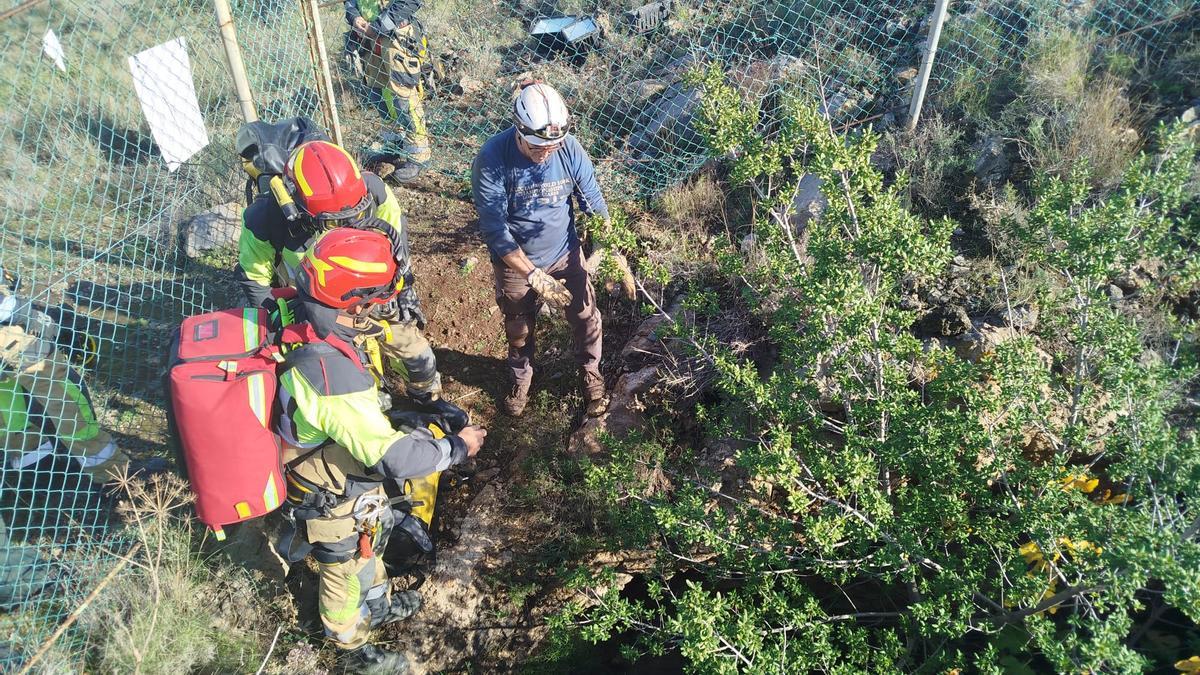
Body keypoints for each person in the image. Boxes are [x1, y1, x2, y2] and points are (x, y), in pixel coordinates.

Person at [275, 228, 487, 672]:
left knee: (373, 538)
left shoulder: (314, 315)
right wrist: (457, 448)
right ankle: (351, 647)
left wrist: (421, 408)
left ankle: (380, 604)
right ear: (354, 301)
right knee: (344, 568)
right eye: (376, 298)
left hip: (341, 465)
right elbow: (393, 458)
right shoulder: (334, 376)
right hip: (325, 494)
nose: (384, 306)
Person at [237, 140, 463, 423]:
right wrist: (282, 323)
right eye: (336, 223)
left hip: (373, 291)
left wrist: (405, 287)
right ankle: (373, 422)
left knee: (417, 353)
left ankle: (427, 398)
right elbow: (254, 278)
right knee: (352, 376)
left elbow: (396, 234)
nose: (349, 227)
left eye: (357, 215)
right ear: (299, 210)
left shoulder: (374, 190)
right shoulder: (265, 221)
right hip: (315, 307)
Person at [470, 81, 610, 418]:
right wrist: (531, 274)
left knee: (585, 314)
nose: (545, 153)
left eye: (552, 146)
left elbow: (592, 201)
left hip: (564, 250)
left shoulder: (570, 150)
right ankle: (522, 378)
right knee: (518, 325)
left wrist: (607, 249)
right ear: (518, 130)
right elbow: (495, 229)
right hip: (517, 259)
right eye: (536, 147)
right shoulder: (492, 160)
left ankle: (591, 371)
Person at [344, 0, 432, 181]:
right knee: (380, 95)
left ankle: (418, 154)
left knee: (403, 96)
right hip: (368, 40)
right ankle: (394, 144)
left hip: (395, 36)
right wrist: (354, 17)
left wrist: (377, 27)